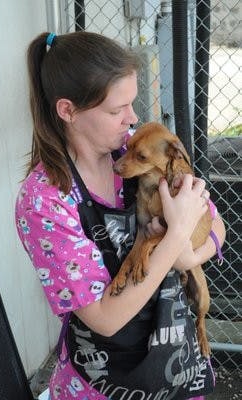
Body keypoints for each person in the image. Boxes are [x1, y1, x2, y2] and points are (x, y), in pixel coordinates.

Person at [15, 31, 226, 400]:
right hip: (106, 385)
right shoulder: (46, 201)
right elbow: (106, 319)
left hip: (177, 369)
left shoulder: (131, 152)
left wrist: (190, 254)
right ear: (68, 111)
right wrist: (175, 237)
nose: (132, 118)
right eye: (117, 110)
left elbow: (214, 222)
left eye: (131, 103)